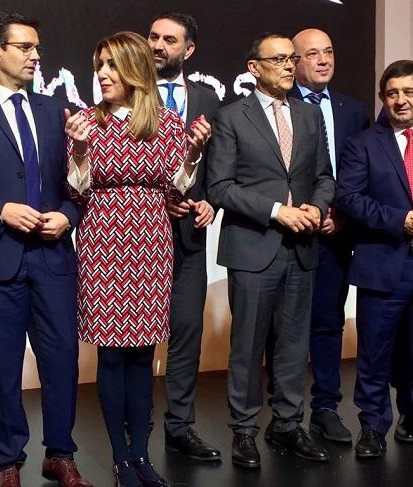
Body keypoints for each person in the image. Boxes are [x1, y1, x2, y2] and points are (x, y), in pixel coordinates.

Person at [0, 12, 91, 487]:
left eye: (37, 48)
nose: (35, 56)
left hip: (52, 258)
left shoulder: (55, 111)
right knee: (3, 367)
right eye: (24, 47)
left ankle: (61, 454)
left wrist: (68, 216)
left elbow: (75, 185)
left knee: (62, 359)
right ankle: (7, 461)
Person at [66, 31, 202, 486]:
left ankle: (142, 455)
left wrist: (195, 153)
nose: (102, 74)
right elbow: (77, 189)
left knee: (143, 357)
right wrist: (81, 149)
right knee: (111, 358)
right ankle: (121, 458)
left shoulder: (165, 123)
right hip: (105, 245)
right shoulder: (87, 121)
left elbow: (178, 185)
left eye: (111, 65)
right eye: (99, 64)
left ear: (135, 71)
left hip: (150, 246)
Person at [206, 32, 334, 468]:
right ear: (253, 66)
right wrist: (278, 210)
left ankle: (286, 425)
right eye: (278, 59)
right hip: (253, 246)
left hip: (301, 247)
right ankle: (244, 431)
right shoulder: (231, 117)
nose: (288, 65)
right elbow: (220, 187)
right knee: (247, 345)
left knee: (294, 345)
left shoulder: (309, 115)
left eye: (291, 58)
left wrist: (316, 209)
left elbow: (324, 176)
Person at [285, 28, 370, 443]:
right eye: (312, 54)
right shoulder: (280, 105)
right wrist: (308, 211)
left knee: (327, 323)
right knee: (283, 327)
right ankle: (284, 414)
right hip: (290, 230)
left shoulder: (353, 111)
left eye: (329, 52)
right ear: (295, 62)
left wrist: (342, 217)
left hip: (337, 234)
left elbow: (364, 176)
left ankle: (325, 407)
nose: (323, 60)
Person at [146, 10, 221, 461]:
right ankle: (133, 437)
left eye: (168, 40)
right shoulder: (129, 94)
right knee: (134, 340)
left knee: (187, 333)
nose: (157, 45)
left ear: (187, 50)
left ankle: (179, 427)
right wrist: (157, 198)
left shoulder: (209, 98)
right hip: (137, 236)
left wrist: (210, 198)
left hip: (190, 237)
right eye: (153, 36)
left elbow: (220, 164)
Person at [335, 59, 413, 458]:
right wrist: (401, 220)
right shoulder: (364, 143)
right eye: (393, 93)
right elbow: (348, 198)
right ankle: (372, 427)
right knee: (374, 353)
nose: (400, 100)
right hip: (383, 262)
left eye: (408, 92)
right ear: (383, 98)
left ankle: (410, 416)